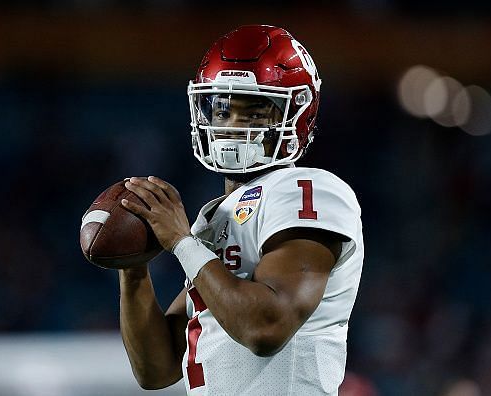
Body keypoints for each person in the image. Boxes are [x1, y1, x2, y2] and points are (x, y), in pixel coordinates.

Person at [119, 25, 364, 395]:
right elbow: (158, 368)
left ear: (296, 114)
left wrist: (184, 243)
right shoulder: (215, 218)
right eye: (223, 110)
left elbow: (266, 328)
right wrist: (132, 265)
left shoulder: (308, 190)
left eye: (255, 113)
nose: (233, 127)